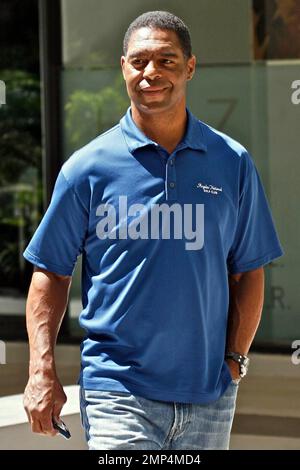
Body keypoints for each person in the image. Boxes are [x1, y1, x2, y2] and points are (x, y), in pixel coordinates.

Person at [23, 11, 283, 450]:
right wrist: (40, 370)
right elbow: (50, 272)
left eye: (166, 60)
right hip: (117, 391)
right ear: (123, 66)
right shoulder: (88, 169)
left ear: (190, 67)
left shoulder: (231, 162)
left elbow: (249, 270)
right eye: (140, 61)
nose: (152, 73)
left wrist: (235, 360)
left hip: (209, 397)